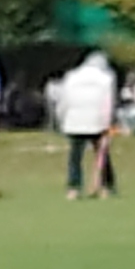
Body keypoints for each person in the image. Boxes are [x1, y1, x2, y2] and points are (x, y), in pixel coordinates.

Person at [53, 47, 119, 198]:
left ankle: (73, 188)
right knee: (102, 154)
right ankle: (106, 187)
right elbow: (109, 101)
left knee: (75, 157)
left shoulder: (71, 76)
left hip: (74, 121)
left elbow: (64, 100)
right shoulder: (106, 78)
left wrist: (61, 119)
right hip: (97, 121)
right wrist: (109, 121)